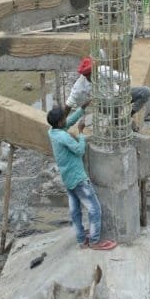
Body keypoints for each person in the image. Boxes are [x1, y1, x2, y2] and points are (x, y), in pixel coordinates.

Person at [47, 105, 116, 250]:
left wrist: (81, 110)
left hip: (67, 178)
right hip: (78, 178)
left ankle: (81, 239)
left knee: (75, 211)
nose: (66, 119)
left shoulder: (53, 132)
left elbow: (68, 123)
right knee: (95, 209)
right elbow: (79, 150)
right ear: (60, 122)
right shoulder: (63, 136)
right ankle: (94, 241)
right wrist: (81, 133)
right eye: (64, 118)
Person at [64, 56, 150, 126]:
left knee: (145, 91)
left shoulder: (103, 70)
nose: (93, 75)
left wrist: (123, 81)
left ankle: (128, 117)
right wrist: (62, 122)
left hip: (118, 94)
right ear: (85, 75)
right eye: (90, 75)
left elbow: (124, 78)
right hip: (103, 104)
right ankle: (115, 122)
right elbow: (69, 104)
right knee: (116, 104)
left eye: (94, 72)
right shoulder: (80, 86)